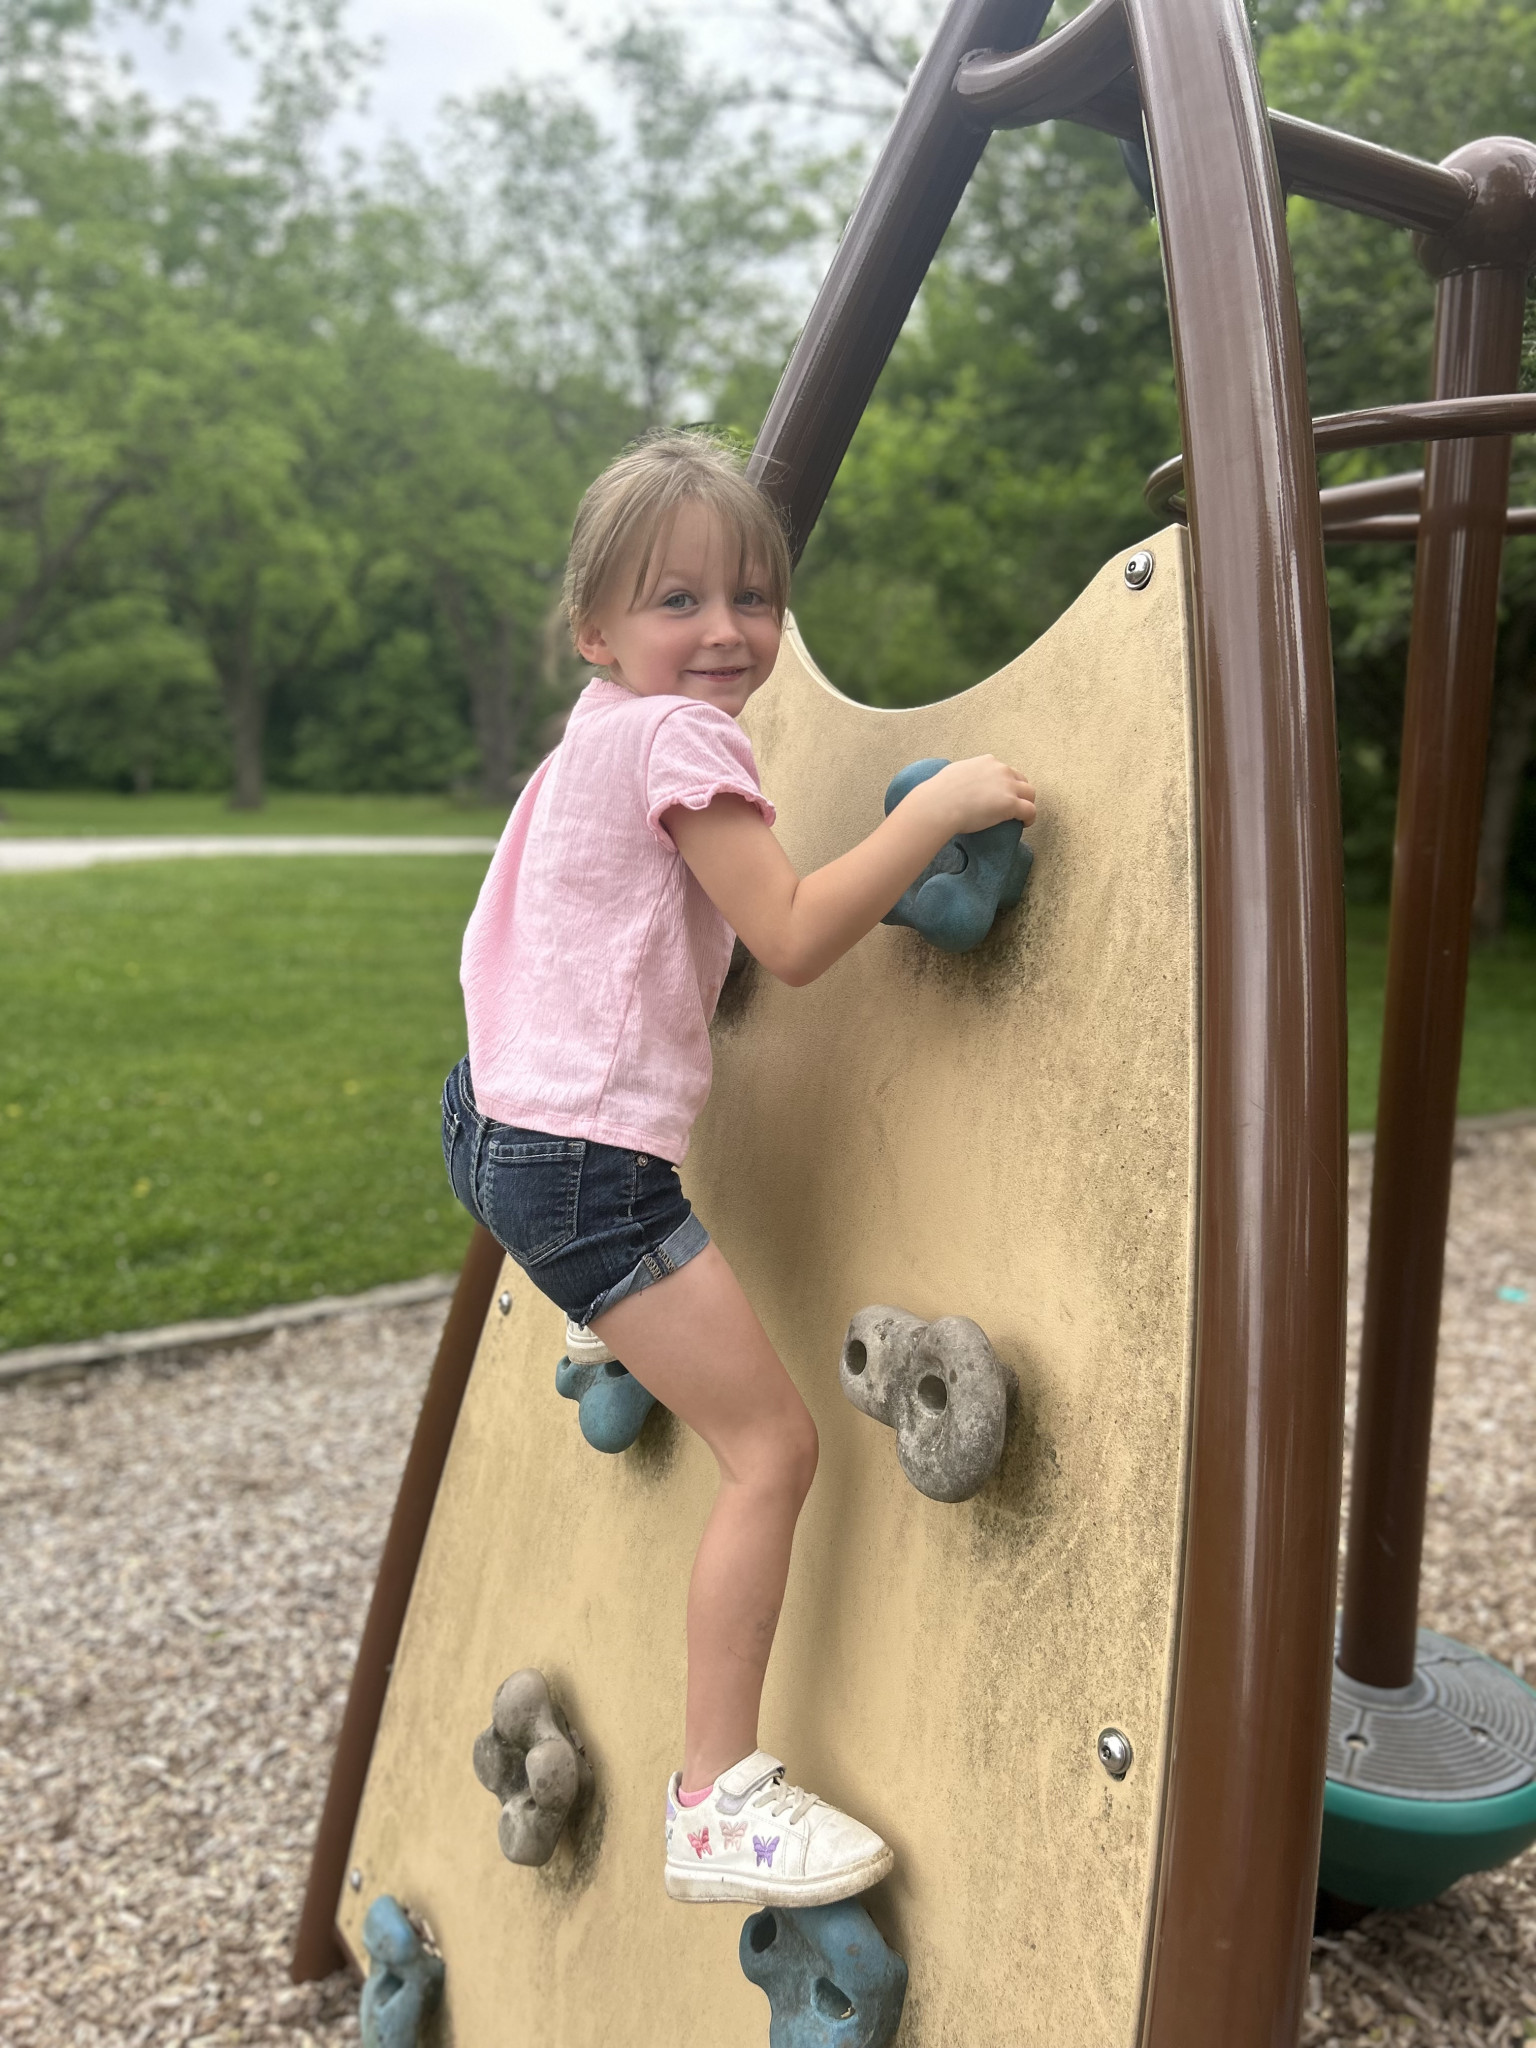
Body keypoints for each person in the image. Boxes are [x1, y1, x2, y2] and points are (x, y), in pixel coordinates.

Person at [443, 431, 1036, 1905]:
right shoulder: (685, 742)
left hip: (487, 1120)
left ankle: (609, 1320)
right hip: (587, 1173)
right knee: (773, 1450)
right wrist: (931, 816)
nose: (726, 630)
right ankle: (715, 1801)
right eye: (678, 601)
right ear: (595, 628)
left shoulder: (592, 737)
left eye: (754, 597)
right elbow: (791, 934)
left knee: (641, 1296)